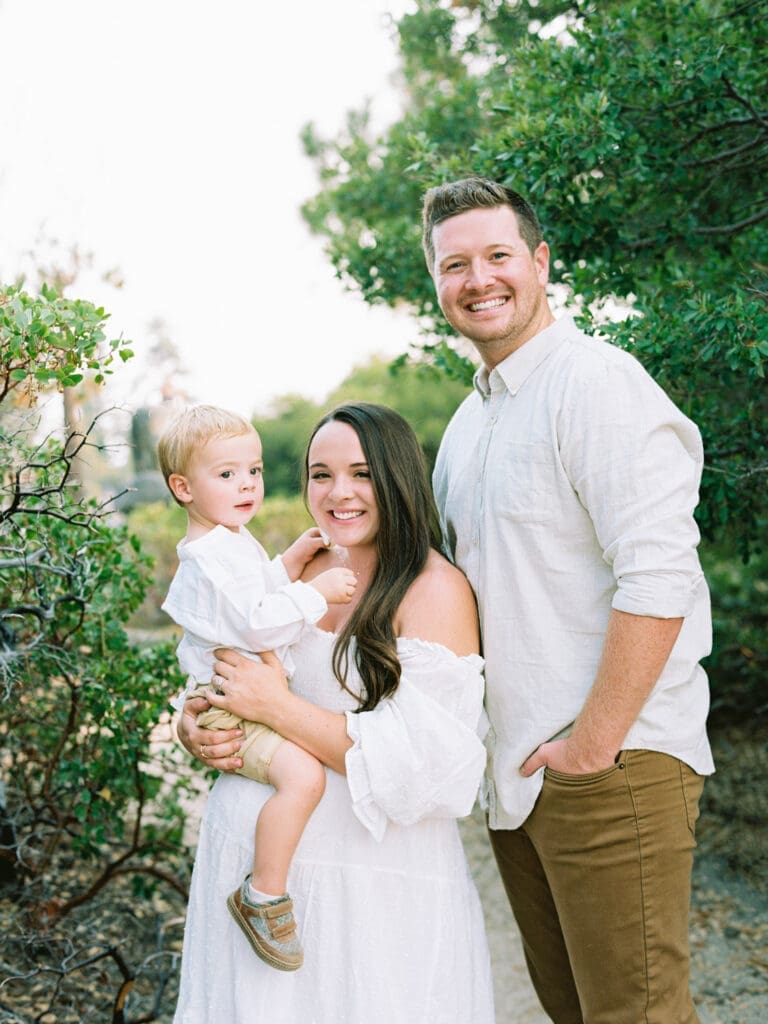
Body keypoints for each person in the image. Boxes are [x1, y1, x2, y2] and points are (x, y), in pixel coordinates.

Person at [424, 177, 714, 1023]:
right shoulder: (468, 425)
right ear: (438, 283)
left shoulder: (595, 386)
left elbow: (660, 577)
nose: (478, 279)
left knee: (638, 1015)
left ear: (541, 262)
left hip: (614, 766)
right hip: (520, 781)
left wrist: (592, 746)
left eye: (497, 256)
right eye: (454, 265)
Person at [173, 402, 495, 1024]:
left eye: (361, 473)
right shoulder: (297, 570)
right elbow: (221, 658)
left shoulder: (435, 588)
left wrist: (278, 708)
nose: (339, 492)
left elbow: (427, 769)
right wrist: (193, 723)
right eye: (321, 474)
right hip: (251, 859)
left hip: (371, 882)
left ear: (397, 478)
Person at [157, 404, 358, 971]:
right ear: (182, 488)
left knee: (301, 775)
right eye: (226, 474)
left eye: (254, 469)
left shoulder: (227, 541)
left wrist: (288, 563)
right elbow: (257, 623)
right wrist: (317, 591)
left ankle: (266, 891)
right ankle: (264, 895)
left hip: (242, 698)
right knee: (303, 777)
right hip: (234, 709)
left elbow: (251, 595)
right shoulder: (211, 555)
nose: (247, 483)